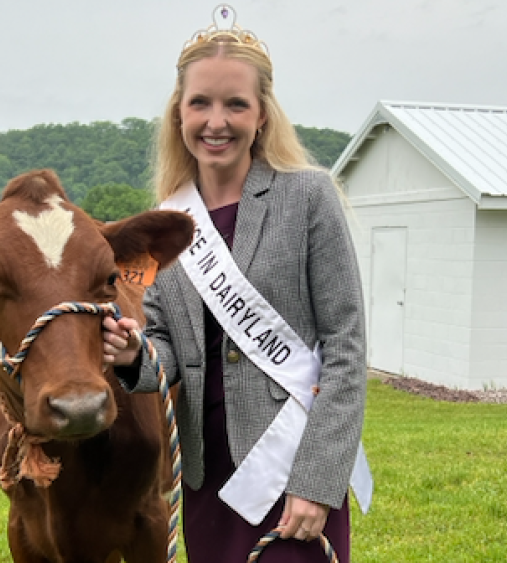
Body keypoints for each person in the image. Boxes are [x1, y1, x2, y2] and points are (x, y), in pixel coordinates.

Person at [102, 5, 368, 562]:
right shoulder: (166, 222)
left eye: (235, 104)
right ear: (179, 113)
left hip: (292, 465)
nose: (216, 121)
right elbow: (166, 350)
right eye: (200, 102)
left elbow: (346, 346)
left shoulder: (309, 196)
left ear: (262, 115)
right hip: (210, 476)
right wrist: (133, 354)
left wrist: (317, 484)